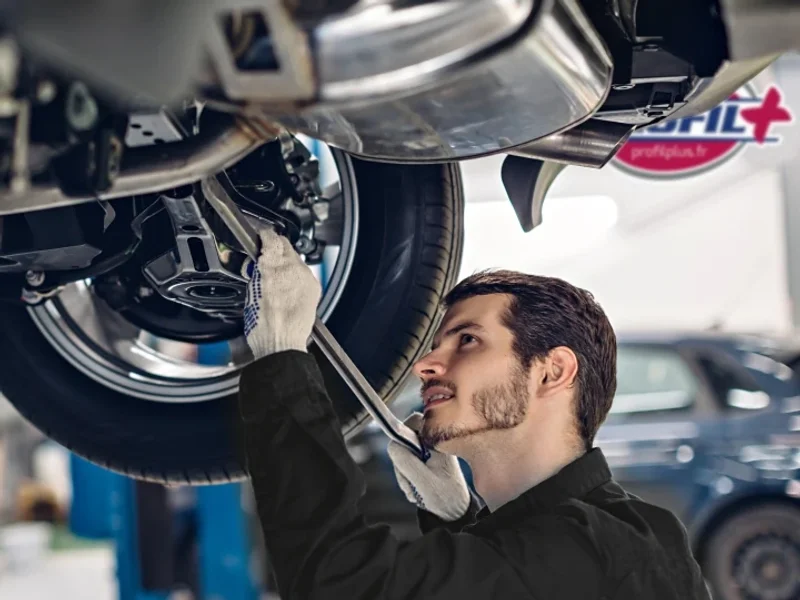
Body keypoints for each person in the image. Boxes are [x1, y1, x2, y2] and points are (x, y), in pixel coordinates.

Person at [236, 228, 711, 600]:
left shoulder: (590, 545)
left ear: (552, 372)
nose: (426, 365)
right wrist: (457, 517)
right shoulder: (631, 531)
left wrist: (282, 359)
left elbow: (339, 585)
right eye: (437, 344)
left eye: (468, 340)